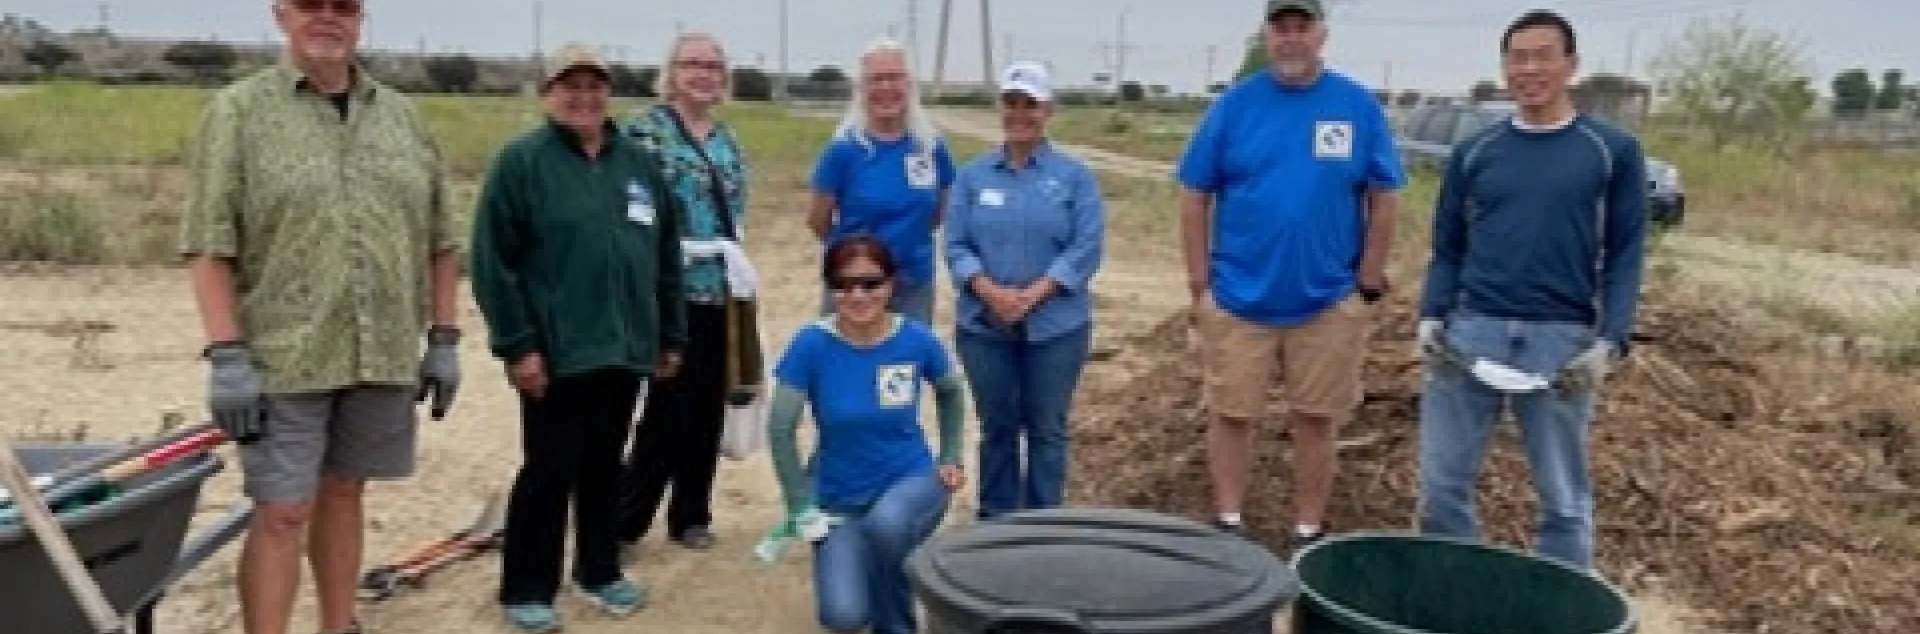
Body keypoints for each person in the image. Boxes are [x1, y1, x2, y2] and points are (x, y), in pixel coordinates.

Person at [176, 1, 461, 632]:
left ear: (362, 18)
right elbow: (208, 243)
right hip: (283, 354)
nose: (328, 16)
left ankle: (339, 623)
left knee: (344, 492)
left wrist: (443, 338)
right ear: (281, 14)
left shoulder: (402, 117)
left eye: (345, 6)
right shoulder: (239, 113)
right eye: (312, 4)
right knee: (281, 510)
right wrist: (227, 356)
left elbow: (442, 239)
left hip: (380, 348)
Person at [1414, 10, 1648, 572]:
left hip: (1561, 339)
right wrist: (1430, 317)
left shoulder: (1609, 151)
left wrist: (1609, 341)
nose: (1530, 68)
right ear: (1504, 68)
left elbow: (1624, 253)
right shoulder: (1476, 151)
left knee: (1563, 501)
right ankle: (1458, 600)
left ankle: (1557, 608)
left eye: (1543, 56)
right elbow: (1448, 247)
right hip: (1472, 332)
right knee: (1442, 491)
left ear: (1571, 65)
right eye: (1517, 57)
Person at [467, 43, 688, 633]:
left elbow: (666, 256)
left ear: (609, 93)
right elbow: (493, 263)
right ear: (548, 92)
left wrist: (669, 334)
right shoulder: (522, 164)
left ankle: (599, 568)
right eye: (571, 85)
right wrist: (518, 345)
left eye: (595, 85)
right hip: (557, 353)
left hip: (625, 348)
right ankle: (527, 586)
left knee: (605, 465)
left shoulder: (638, 166)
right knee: (550, 467)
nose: (584, 96)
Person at [1174, 0, 1405, 548]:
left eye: (1304, 27)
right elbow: (1193, 195)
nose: (1292, 39)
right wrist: (1201, 286)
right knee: (1232, 414)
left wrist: (1366, 280)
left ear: (1322, 34)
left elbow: (1385, 195)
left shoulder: (1355, 106)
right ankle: (1228, 522)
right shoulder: (1235, 106)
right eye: (1282, 28)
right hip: (1239, 299)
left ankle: (1307, 528)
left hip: (1327, 301)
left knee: (1316, 417)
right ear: (1268, 34)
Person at [766, 235, 967, 634]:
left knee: (888, 526)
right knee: (843, 616)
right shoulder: (811, 344)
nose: (857, 295)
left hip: (910, 481)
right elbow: (779, 429)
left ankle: (898, 626)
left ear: (891, 285)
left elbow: (951, 392)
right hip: (840, 500)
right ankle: (881, 564)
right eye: (842, 284)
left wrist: (950, 454)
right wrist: (800, 504)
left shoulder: (916, 340)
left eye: (871, 283)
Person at [615, 30, 758, 554]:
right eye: (692, 64)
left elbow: (737, 211)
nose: (703, 74)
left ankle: (692, 514)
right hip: (668, 291)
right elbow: (629, 209)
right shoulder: (645, 134)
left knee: (707, 409)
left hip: (722, 292)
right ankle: (627, 517)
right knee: (666, 409)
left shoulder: (729, 142)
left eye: (713, 66)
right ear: (671, 73)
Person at [943, 61, 1105, 519]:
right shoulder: (973, 177)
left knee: (1047, 429)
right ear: (1001, 108)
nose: (1020, 114)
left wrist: (1034, 295)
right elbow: (955, 245)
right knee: (997, 427)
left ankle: (1043, 524)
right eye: (1011, 103)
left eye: (1030, 105)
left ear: (1048, 110)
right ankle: (996, 523)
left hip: (1056, 328)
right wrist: (989, 291)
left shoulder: (1075, 178)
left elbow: (1086, 247)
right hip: (983, 326)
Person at [808, 36, 957, 324]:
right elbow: (818, 220)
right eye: (876, 79)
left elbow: (940, 211)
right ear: (862, 89)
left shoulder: (931, 146)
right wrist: (857, 256)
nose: (886, 88)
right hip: (854, 285)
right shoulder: (843, 150)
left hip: (913, 283)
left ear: (909, 85)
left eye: (894, 78)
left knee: (906, 365)